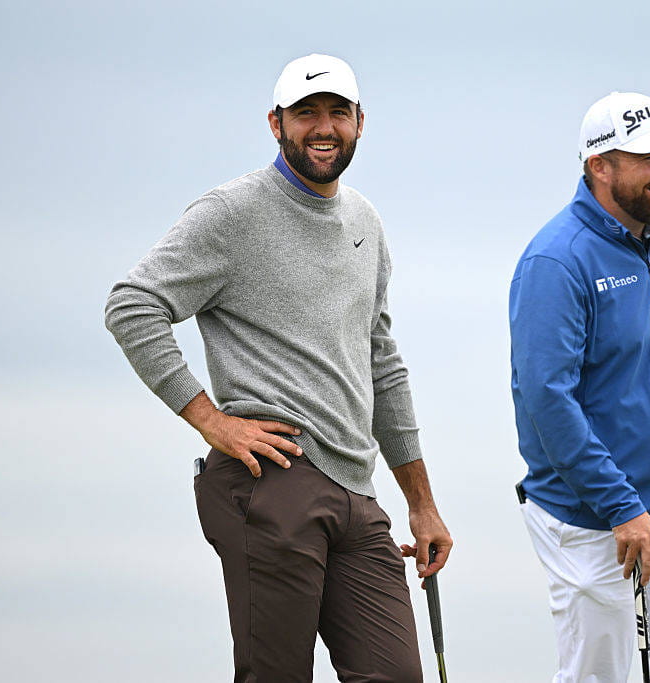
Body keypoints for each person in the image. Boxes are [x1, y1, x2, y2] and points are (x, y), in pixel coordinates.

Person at [105, 53, 451, 683]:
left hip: (357, 491)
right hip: (271, 478)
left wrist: (421, 503)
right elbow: (133, 305)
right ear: (276, 124)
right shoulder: (231, 212)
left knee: (396, 674)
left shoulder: (365, 222)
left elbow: (382, 364)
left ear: (360, 122)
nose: (323, 127)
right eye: (305, 113)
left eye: (337, 113)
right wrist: (211, 420)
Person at [509, 92, 650, 682]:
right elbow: (547, 399)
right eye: (648, 157)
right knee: (597, 677)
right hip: (593, 523)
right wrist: (621, 506)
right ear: (599, 167)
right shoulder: (556, 262)